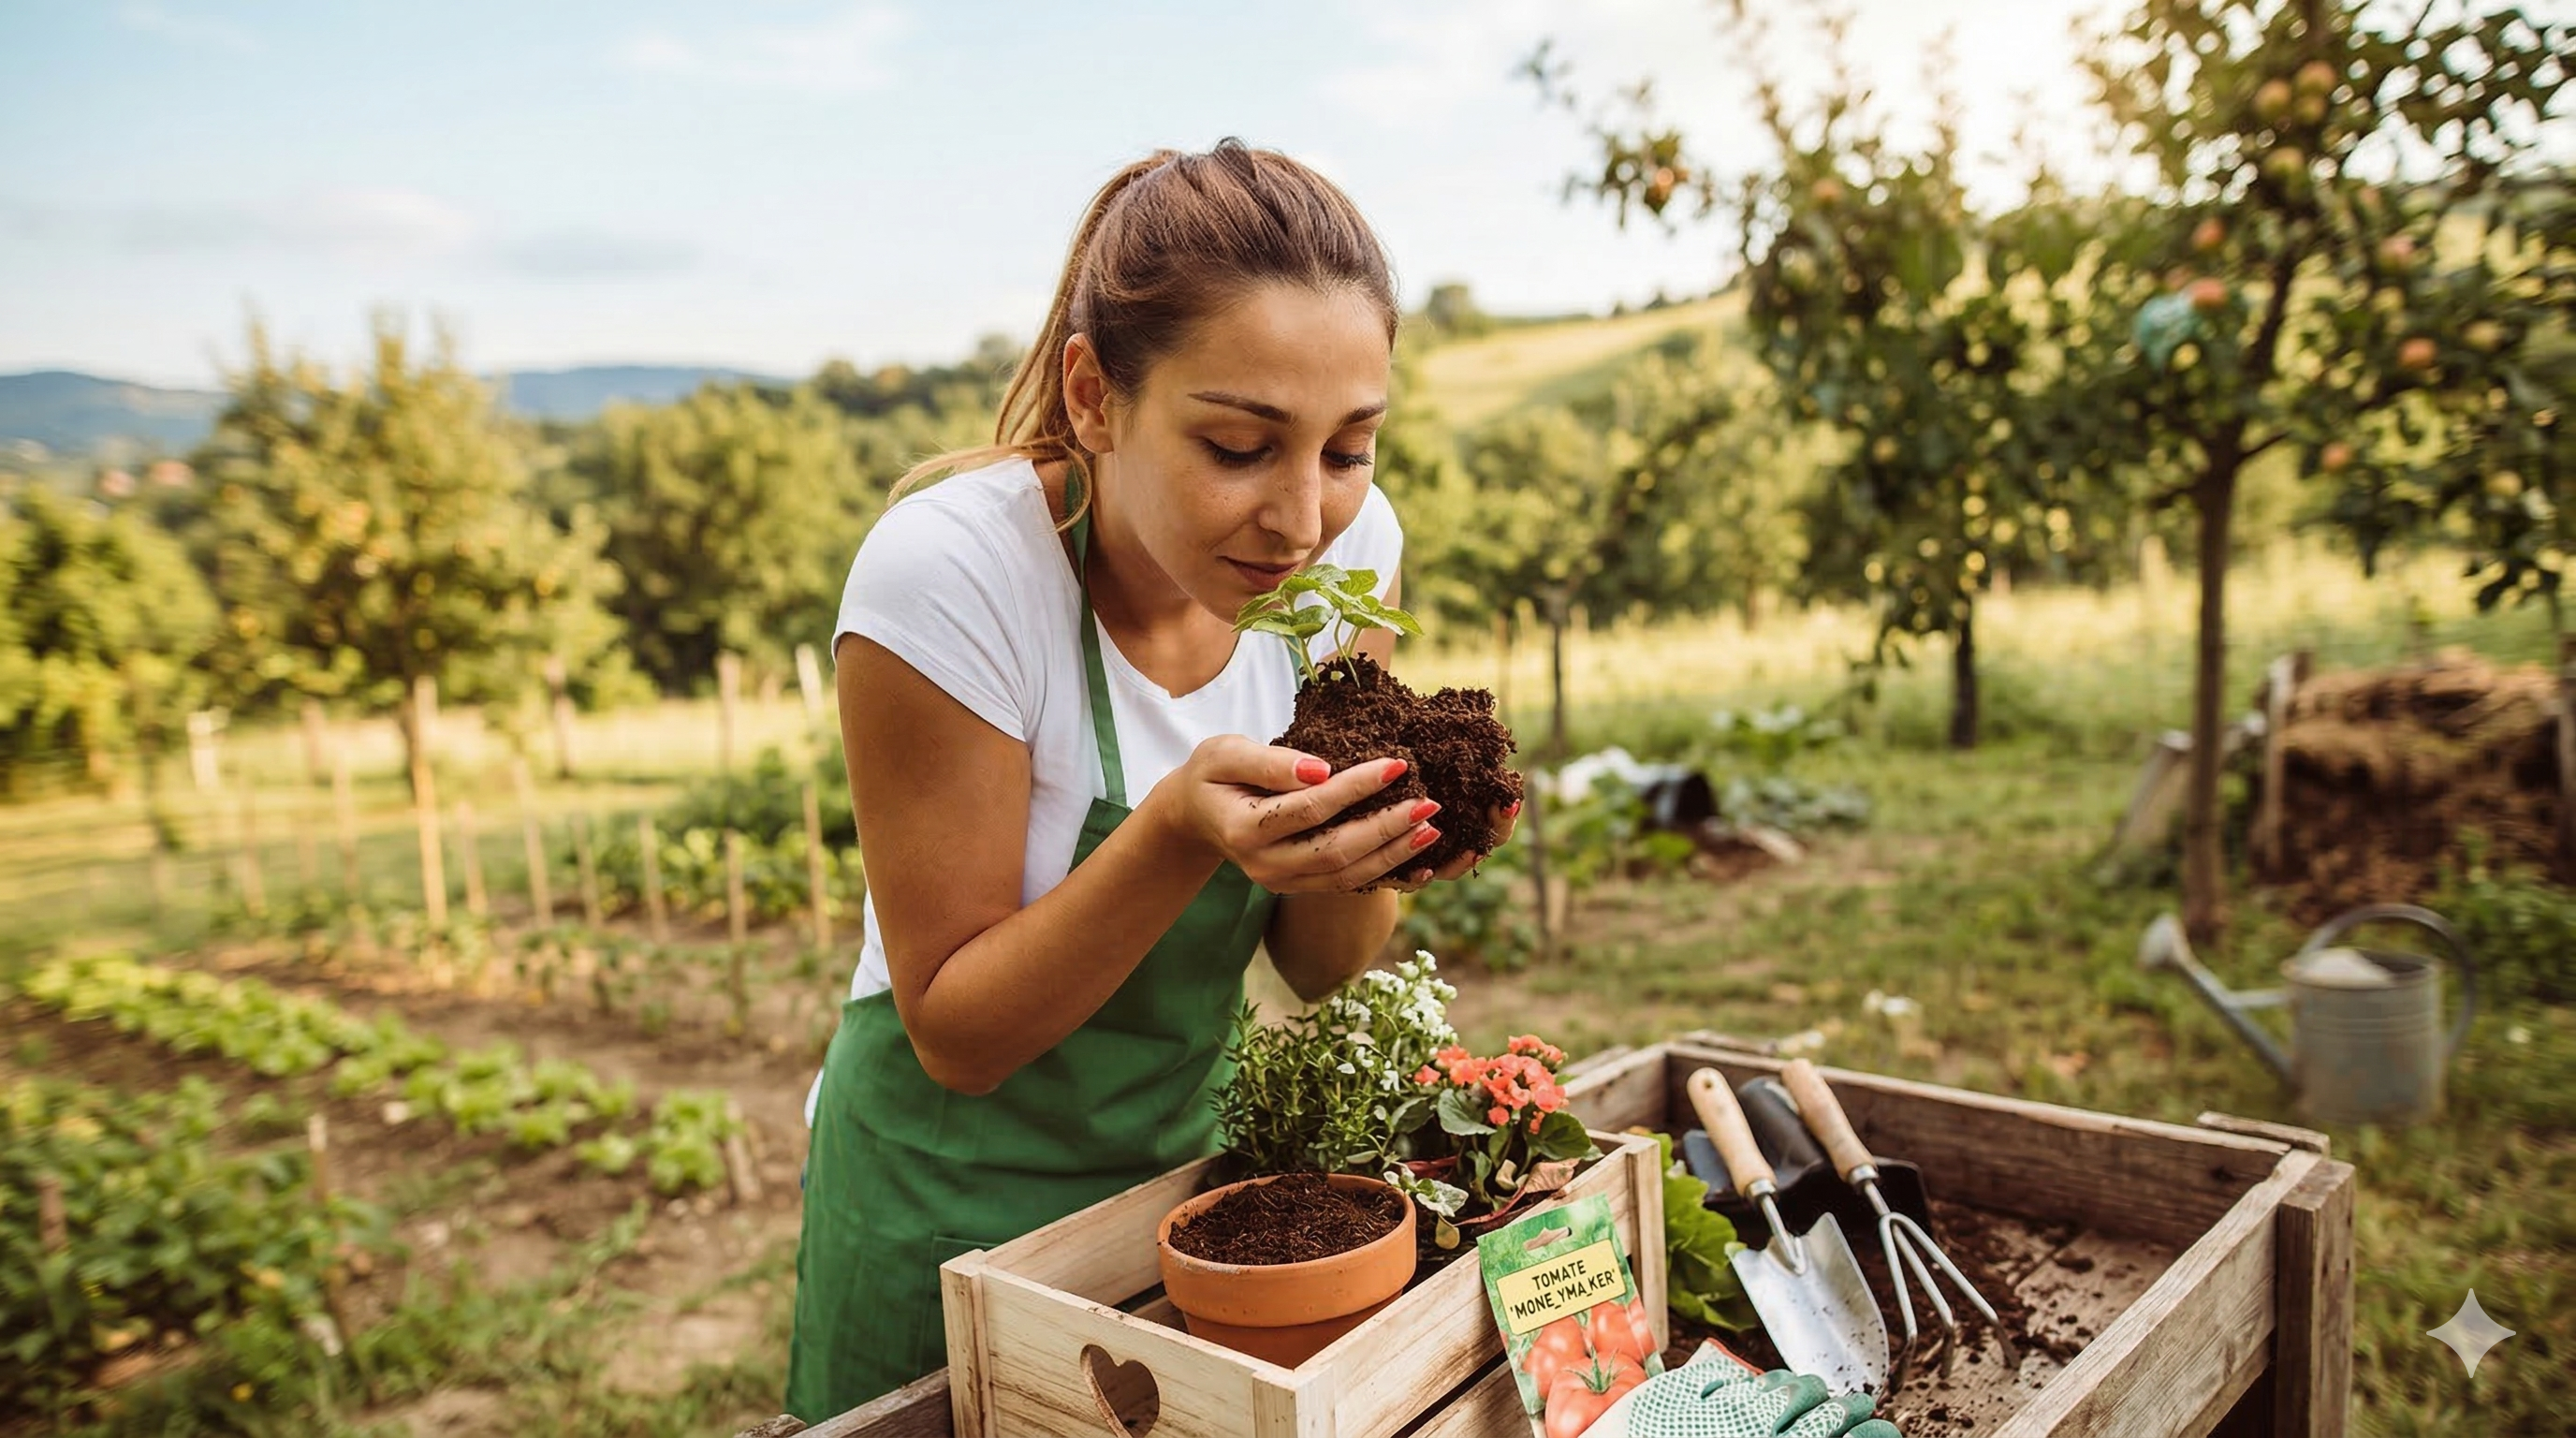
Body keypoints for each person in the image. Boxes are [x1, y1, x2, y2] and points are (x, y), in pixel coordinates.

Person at [784, 139, 1520, 1418]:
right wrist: (1180, 830)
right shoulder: (954, 577)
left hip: (1186, 1198)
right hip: (938, 1204)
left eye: (1349, 449)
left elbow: (1322, 965)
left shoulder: (1349, 561)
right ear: (1094, 395)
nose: (1301, 522)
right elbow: (958, 1033)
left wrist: (1379, 843)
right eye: (1239, 445)